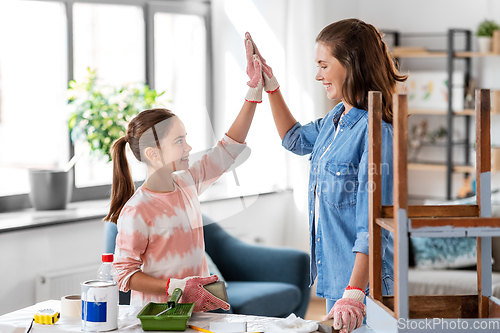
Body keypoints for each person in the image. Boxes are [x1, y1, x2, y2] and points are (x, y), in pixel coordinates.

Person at [245, 18, 407, 332]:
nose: (318, 75)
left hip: (366, 289)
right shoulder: (335, 119)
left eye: (323, 65)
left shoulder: (378, 134)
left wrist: (355, 292)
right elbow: (294, 139)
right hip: (337, 282)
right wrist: (270, 84)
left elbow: (372, 227)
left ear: (351, 64)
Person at [103, 52, 266, 311]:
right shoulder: (137, 210)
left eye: (186, 138)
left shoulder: (186, 182)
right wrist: (175, 287)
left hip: (199, 312)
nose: (189, 147)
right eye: (179, 141)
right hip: (160, 319)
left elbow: (227, 150)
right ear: (153, 154)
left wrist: (253, 94)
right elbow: (124, 275)